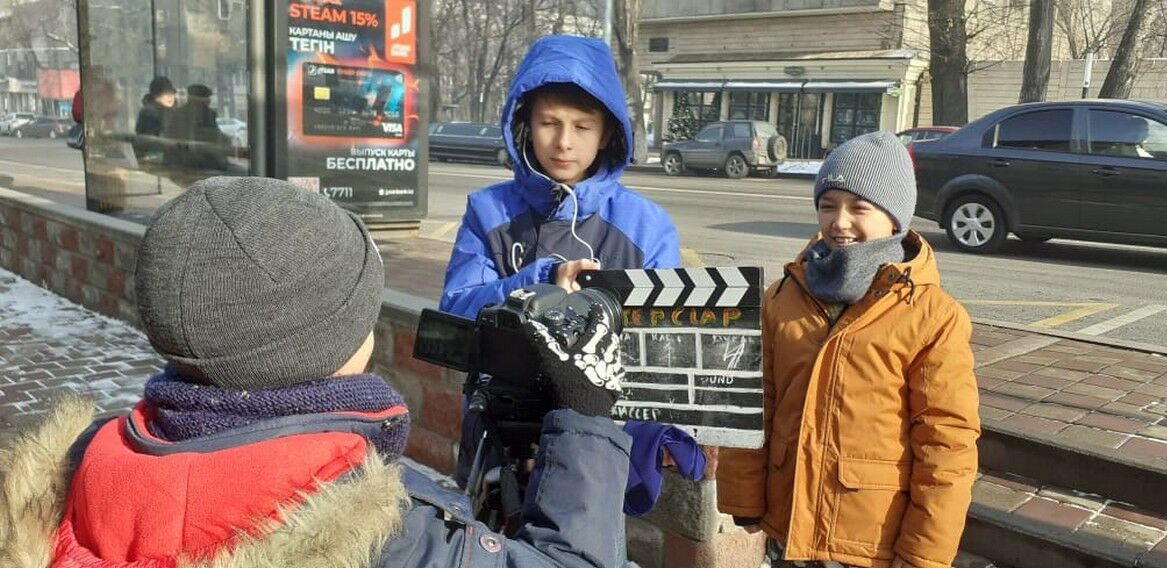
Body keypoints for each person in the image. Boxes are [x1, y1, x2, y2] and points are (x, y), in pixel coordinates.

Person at [0, 176, 633, 567]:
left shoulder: (76, 470)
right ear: (325, 347)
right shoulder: (384, 537)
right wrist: (585, 414)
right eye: (361, 317)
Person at [439, 35, 690, 496]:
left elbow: (666, 350)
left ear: (608, 133)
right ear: (524, 124)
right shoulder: (488, 211)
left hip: (598, 446)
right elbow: (455, 312)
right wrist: (541, 283)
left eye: (582, 126)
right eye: (548, 123)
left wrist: (673, 428)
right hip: (497, 437)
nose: (563, 142)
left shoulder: (648, 227)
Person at [716, 132, 981, 568]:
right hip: (788, 527)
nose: (840, 222)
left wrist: (924, 552)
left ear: (894, 218)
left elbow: (946, 442)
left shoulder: (933, 316)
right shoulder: (781, 297)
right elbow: (753, 403)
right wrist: (743, 495)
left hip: (869, 539)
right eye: (828, 205)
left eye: (859, 208)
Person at [133, 76, 176, 165]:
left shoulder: (172, 112)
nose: (170, 97)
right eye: (165, 93)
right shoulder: (149, 113)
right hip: (154, 160)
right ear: (155, 96)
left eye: (172, 93)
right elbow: (148, 142)